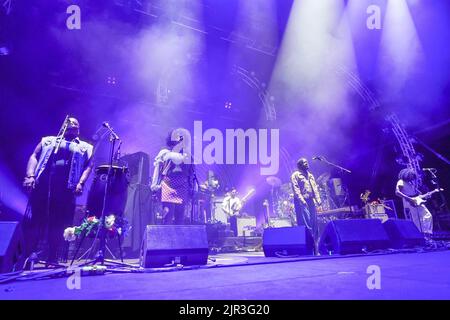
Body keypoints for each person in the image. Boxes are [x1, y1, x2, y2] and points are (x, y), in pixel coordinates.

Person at [23, 117, 94, 264]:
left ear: (79, 128)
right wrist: (30, 175)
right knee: (37, 220)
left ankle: (53, 256)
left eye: (75, 123)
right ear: (62, 126)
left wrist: (81, 183)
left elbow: (89, 166)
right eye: (69, 122)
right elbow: (34, 156)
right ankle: (30, 254)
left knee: (59, 223)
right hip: (43, 186)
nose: (72, 124)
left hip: (66, 190)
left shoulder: (85, 147)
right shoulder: (48, 141)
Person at [151, 129, 194, 225]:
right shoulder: (165, 152)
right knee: (167, 217)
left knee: (180, 218)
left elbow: (191, 173)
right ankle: (166, 238)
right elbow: (158, 170)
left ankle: (178, 238)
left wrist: (191, 187)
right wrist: (155, 185)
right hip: (168, 186)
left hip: (182, 186)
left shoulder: (187, 154)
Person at [291, 157, 322, 254]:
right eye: (304, 163)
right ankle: (308, 248)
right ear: (299, 165)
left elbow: (315, 188)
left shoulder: (311, 175)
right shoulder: (295, 175)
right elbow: (295, 189)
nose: (307, 164)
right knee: (306, 224)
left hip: (311, 201)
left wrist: (318, 199)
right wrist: (302, 200)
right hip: (302, 202)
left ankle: (316, 248)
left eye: (307, 162)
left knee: (314, 224)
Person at [395, 168, 433, 237]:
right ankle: (422, 235)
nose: (412, 178)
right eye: (411, 176)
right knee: (418, 219)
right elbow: (397, 192)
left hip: (415, 200)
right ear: (407, 175)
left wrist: (426, 195)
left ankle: (425, 234)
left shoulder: (410, 183)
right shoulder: (401, 181)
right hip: (409, 201)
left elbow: (417, 195)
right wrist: (409, 199)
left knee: (425, 216)